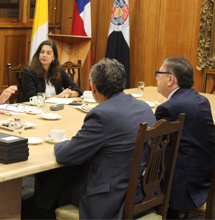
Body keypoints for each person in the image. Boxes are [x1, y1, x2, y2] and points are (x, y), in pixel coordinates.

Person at [22, 58, 156, 219]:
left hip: (109, 200)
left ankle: (32, 211)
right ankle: (33, 207)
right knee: (64, 176)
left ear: (93, 87)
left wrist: (60, 143)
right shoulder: (144, 107)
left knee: (58, 185)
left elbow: (65, 155)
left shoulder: (102, 115)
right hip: (141, 192)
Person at [155, 56, 215, 218]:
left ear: (170, 79)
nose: (156, 78)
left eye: (158, 74)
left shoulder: (167, 108)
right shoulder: (202, 100)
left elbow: (153, 145)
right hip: (206, 179)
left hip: (183, 187)